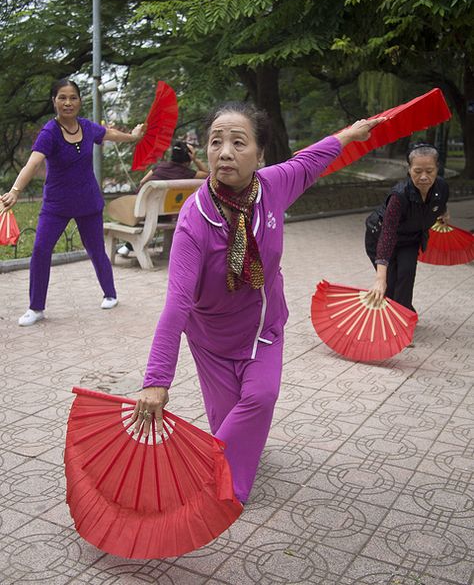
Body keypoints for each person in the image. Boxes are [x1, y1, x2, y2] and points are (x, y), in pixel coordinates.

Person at [130, 101, 384, 504]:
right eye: (216, 142)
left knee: (260, 398)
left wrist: (349, 134)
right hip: (211, 339)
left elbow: (312, 158)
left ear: (260, 154)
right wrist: (156, 381)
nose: (225, 152)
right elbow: (177, 303)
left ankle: (212, 487)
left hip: (264, 328)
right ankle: (229, 456)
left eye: (237, 142)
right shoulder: (194, 220)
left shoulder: (274, 184)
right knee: (227, 422)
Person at [0, 78, 145, 326]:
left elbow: (109, 134)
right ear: (54, 101)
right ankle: (36, 308)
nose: (68, 103)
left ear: (79, 101)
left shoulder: (87, 127)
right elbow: (33, 163)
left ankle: (110, 294)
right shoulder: (50, 132)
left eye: (73, 97)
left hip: (88, 200)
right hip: (56, 205)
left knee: (96, 249)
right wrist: (15, 190)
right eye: (62, 98)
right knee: (40, 251)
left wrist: (132, 137)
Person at [364, 143, 449, 312]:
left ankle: (402, 314)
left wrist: (444, 213)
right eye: (418, 171)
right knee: (391, 281)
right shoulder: (399, 195)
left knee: (407, 274)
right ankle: (393, 314)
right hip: (380, 236)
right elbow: (387, 234)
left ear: (437, 168)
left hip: (410, 238)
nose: (424, 177)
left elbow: (440, 203)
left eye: (429, 171)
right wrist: (380, 278)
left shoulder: (441, 186)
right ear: (409, 169)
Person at [117, 140, 209, 257]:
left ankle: (128, 246)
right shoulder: (188, 173)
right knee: (151, 211)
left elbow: (142, 181)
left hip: (140, 210)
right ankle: (128, 246)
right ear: (188, 159)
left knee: (137, 210)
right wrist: (195, 159)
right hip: (165, 214)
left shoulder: (160, 166)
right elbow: (207, 174)